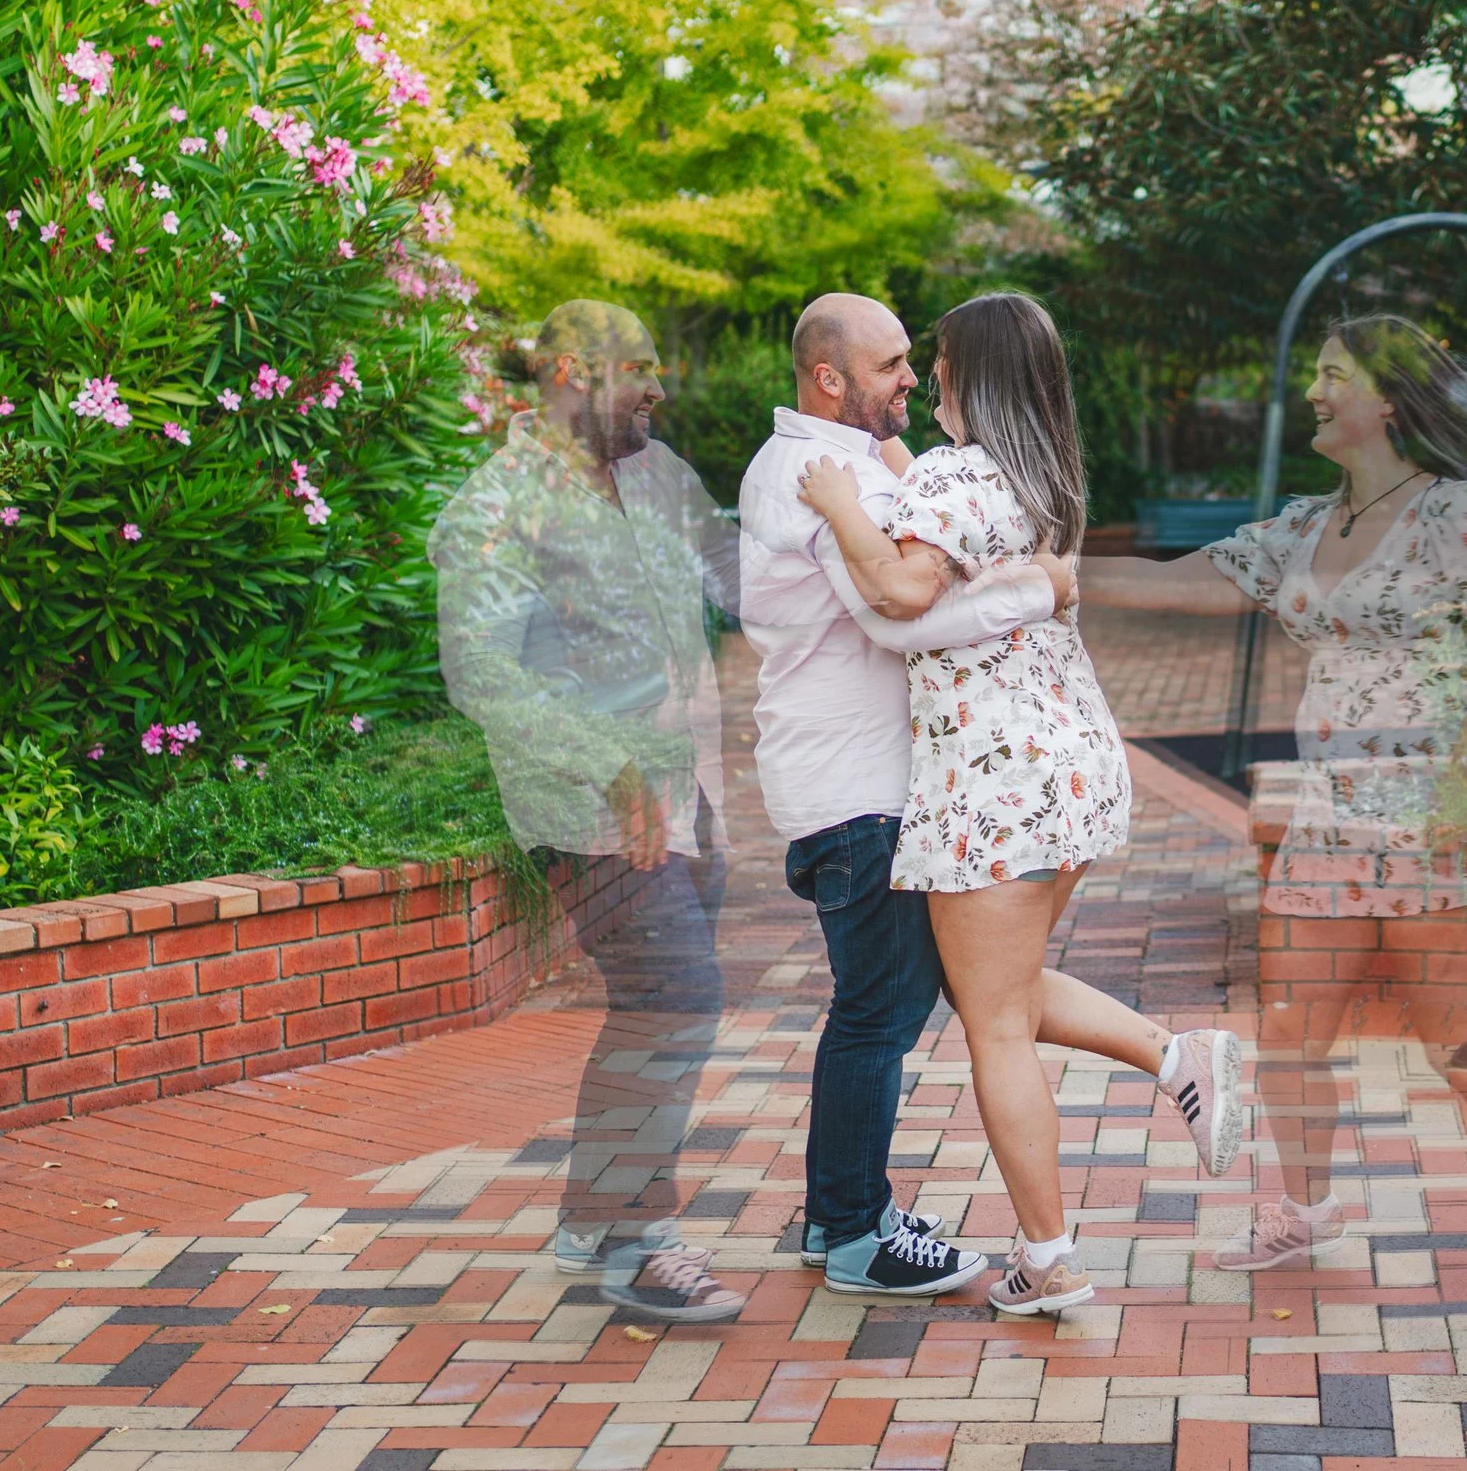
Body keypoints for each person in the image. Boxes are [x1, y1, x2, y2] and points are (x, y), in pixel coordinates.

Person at [1082, 312, 1467, 1317]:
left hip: (1427, 812)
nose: (1315, 394)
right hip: (1330, 813)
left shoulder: (1457, 514)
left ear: (1387, 398)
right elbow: (1178, 581)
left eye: (1332, 376)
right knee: (1288, 1026)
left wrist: (1461, 786)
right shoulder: (1306, 525)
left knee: (1465, 1046)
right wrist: (1052, 578)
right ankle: (1303, 1209)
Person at [795, 290, 1245, 1316]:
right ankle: (1178, 1054)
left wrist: (834, 503)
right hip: (1069, 768)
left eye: (940, 359)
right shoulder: (1042, 477)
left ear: (973, 372)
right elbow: (944, 528)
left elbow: (905, 591)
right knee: (998, 990)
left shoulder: (954, 473)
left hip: (991, 782)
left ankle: (1050, 1257)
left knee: (994, 1022)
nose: (929, 377)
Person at [738, 292, 1062, 1298]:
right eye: (889, 365)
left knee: (878, 1002)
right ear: (830, 378)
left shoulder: (824, 463)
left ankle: (839, 1210)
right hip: (853, 786)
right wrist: (1044, 586)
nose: (911, 379)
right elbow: (897, 612)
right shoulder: (814, 475)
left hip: (843, 777)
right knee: (880, 1009)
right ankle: (851, 1233)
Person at [429, 299, 746, 1323]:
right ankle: (635, 1239)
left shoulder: (657, 480)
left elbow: (741, 580)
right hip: (589, 804)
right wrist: (604, 762)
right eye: (639, 369)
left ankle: (594, 1211)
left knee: (655, 1006)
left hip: (690, 795)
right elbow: (480, 674)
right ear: (572, 372)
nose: (658, 388)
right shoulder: (495, 506)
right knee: (677, 996)